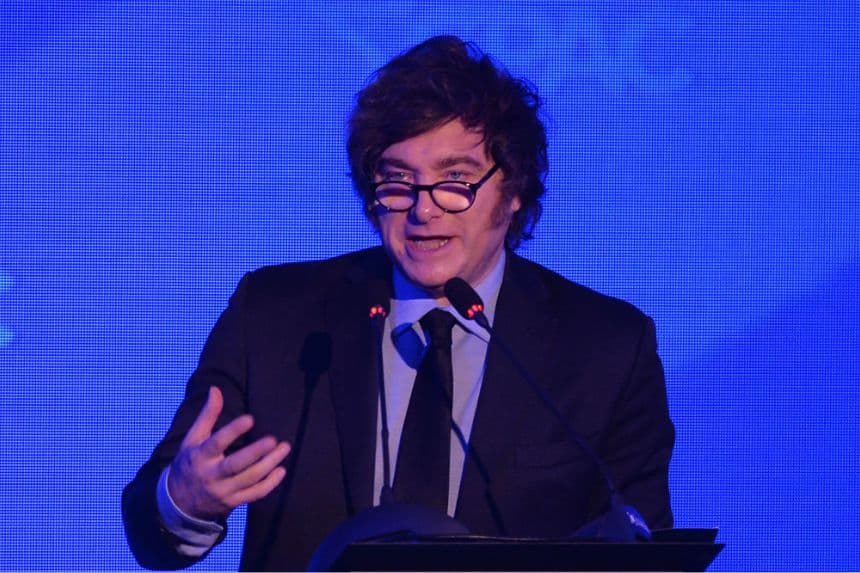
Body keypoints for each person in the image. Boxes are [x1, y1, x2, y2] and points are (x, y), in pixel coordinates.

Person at [122, 35, 674, 571]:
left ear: (514, 191)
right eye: (398, 181)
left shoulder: (606, 348)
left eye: (455, 180)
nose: (422, 210)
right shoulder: (275, 317)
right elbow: (151, 530)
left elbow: (643, 550)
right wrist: (185, 500)